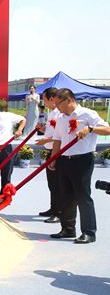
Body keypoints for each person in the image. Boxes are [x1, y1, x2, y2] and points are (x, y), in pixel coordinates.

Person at [49, 88, 110, 244]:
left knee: (83, 196)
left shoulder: (87, 114)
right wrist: (53, 159)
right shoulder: (60, 118)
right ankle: (68, 229)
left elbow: (107, 129)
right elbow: (57, 140)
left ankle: (89, 232)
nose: (56, 107)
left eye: (58, 103)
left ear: (69, 100)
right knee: (66, 195)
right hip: (64, 159)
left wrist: (90, 129)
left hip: (82, 160)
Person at [34, 87, 62, 223]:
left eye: (44, 100)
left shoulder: (60, 114)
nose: (43, 103)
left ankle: (59, 212)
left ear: (51, 99)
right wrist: (43, 129)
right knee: (52, 183)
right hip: (51, 150)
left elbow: (60, 136)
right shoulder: (52, 113)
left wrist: (46, 140)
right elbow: (52, 132)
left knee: (57, 184)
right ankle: (53, 208)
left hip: (58, 152)